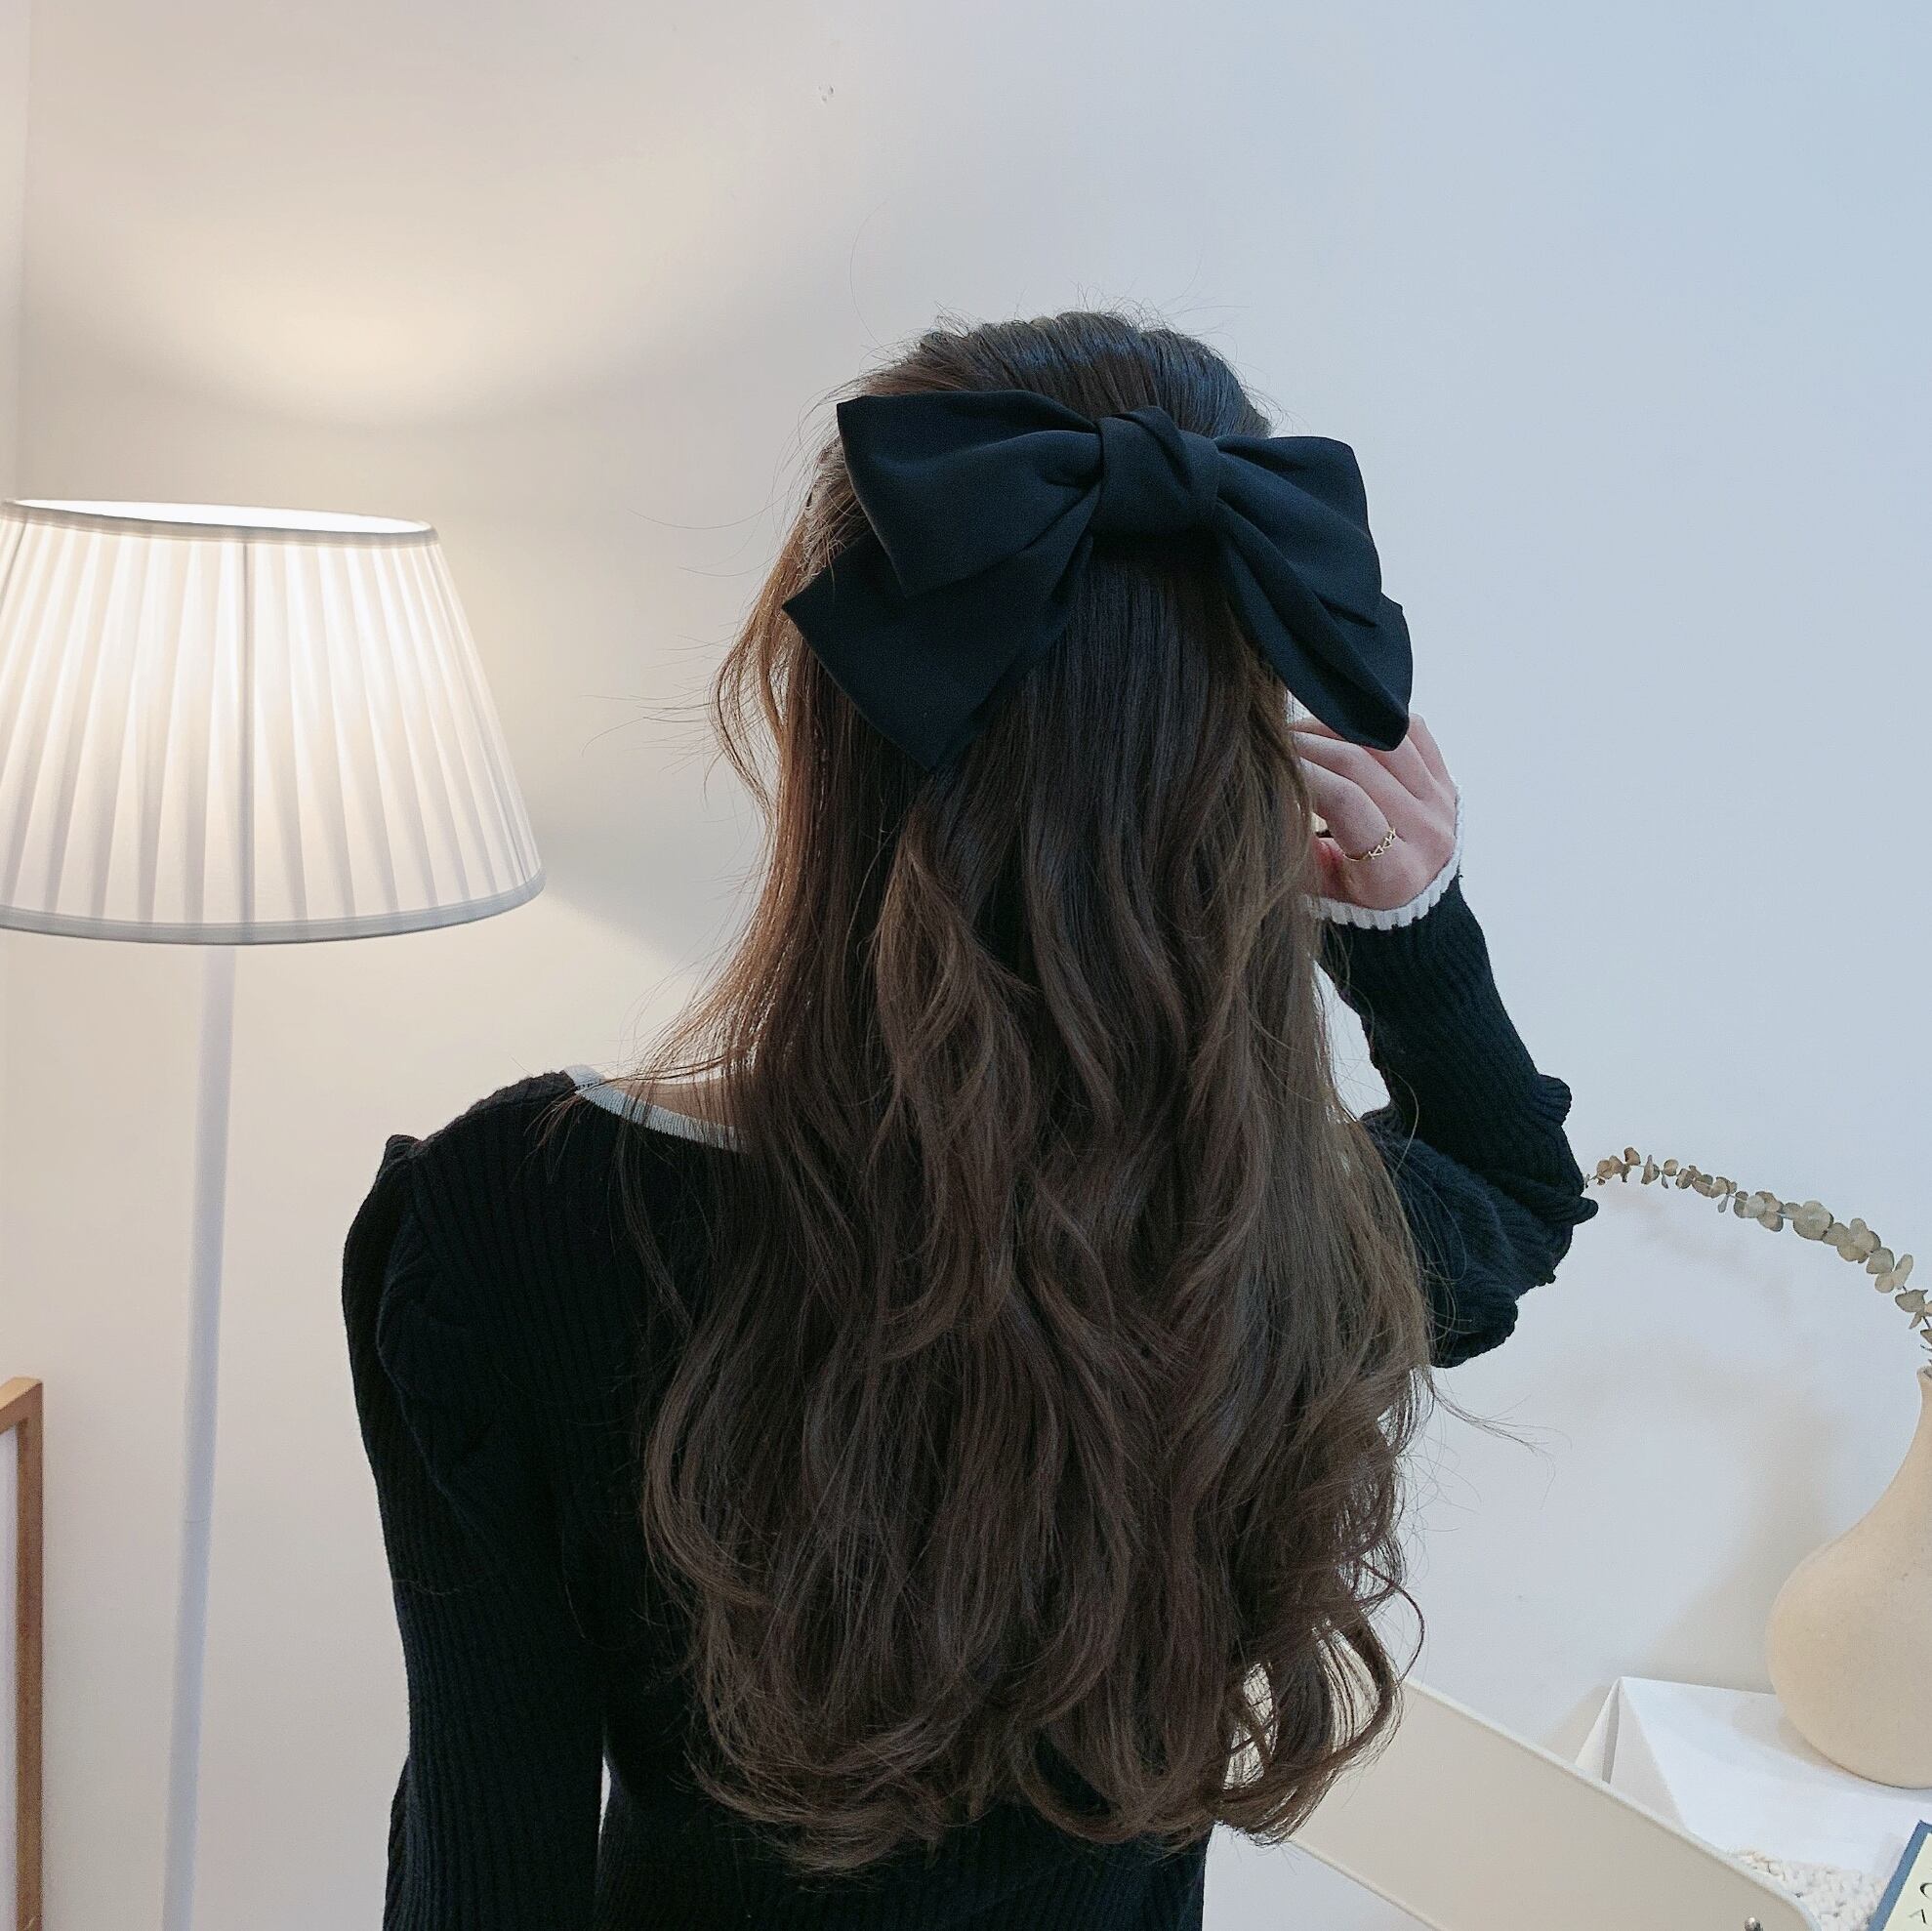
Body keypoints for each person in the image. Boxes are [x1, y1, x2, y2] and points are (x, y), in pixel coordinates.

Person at [342, 308, 1599, 1929]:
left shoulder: (507, 1227)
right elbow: (1511, 1191)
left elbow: (487, 1864)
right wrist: (1411, 931)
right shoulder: (1261, 1232)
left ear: (822, 717)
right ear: (1237, 771)